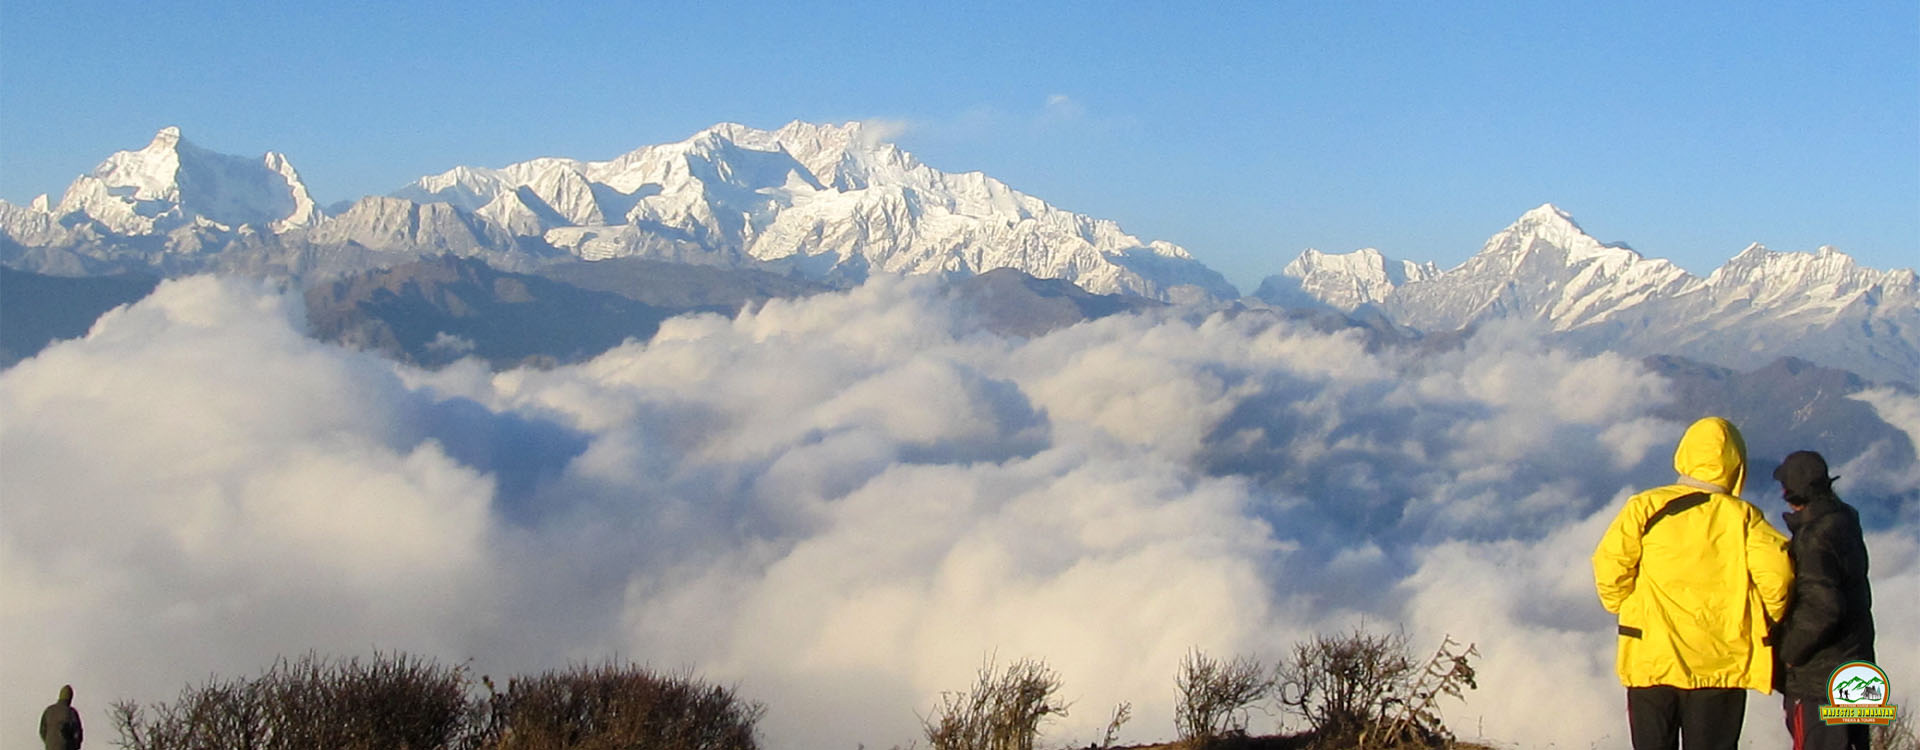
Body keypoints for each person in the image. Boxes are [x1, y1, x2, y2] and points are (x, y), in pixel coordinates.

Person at [1592, 416, 1793, 750]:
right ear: (1736, 464)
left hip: (1651, 657)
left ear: (1683, 454)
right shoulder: (1745, 518)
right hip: (1720, 663)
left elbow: (1610, 565)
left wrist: (1624, 605)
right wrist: (1766, 618)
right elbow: (1779, 577)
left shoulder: (1644, 507)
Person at [1772, 450, 1875, 750]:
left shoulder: (1814, 536)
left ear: (1792, 492)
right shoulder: (1844, 521)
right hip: (1857, 670)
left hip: (1820, 679)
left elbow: (1823, 607)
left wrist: (1789, 652)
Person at [39, 684, 82, 750]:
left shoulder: (49, 711)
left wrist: (49, 742)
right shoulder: (71, 713)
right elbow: (78, 734)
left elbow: (42, 731)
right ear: (70, 698)